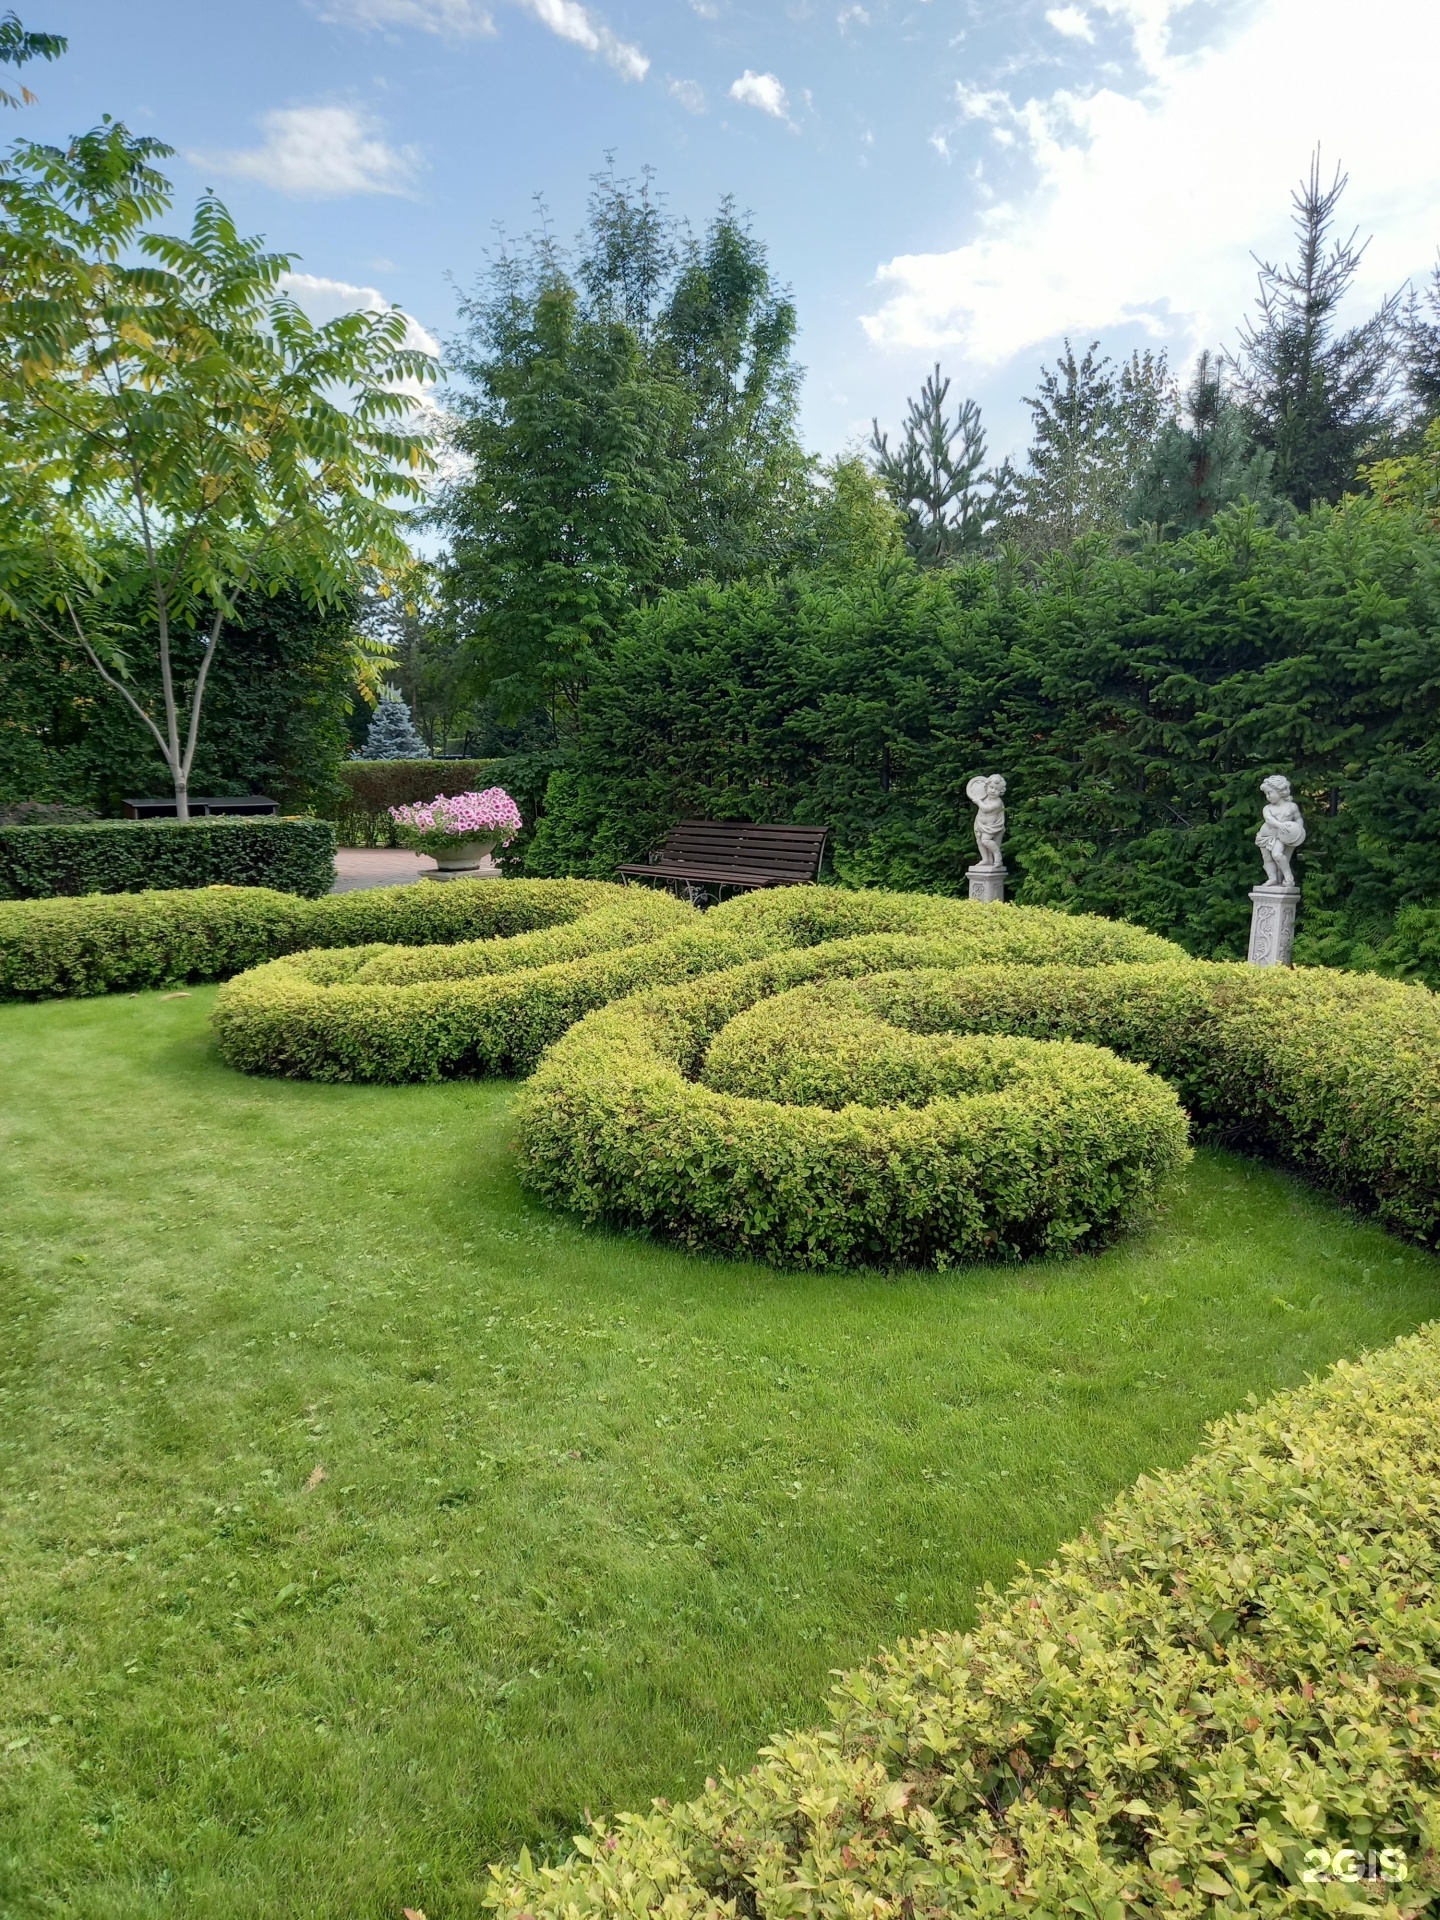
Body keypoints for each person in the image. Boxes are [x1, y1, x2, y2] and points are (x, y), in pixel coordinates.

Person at [1256, 774, 1306, 888]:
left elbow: (1298, 819)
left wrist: (1298, 832)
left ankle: (1288, 878)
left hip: (1280, 837)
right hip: (1264, 836)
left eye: (1270, 792)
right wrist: (1280, 825)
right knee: (1267, 858)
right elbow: (1268, 819)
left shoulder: (1291, 806)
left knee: (1277, 855)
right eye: (1266, 794)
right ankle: (1272, 878)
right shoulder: (1267, 808)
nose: (1268, 796)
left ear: (1280, 792)